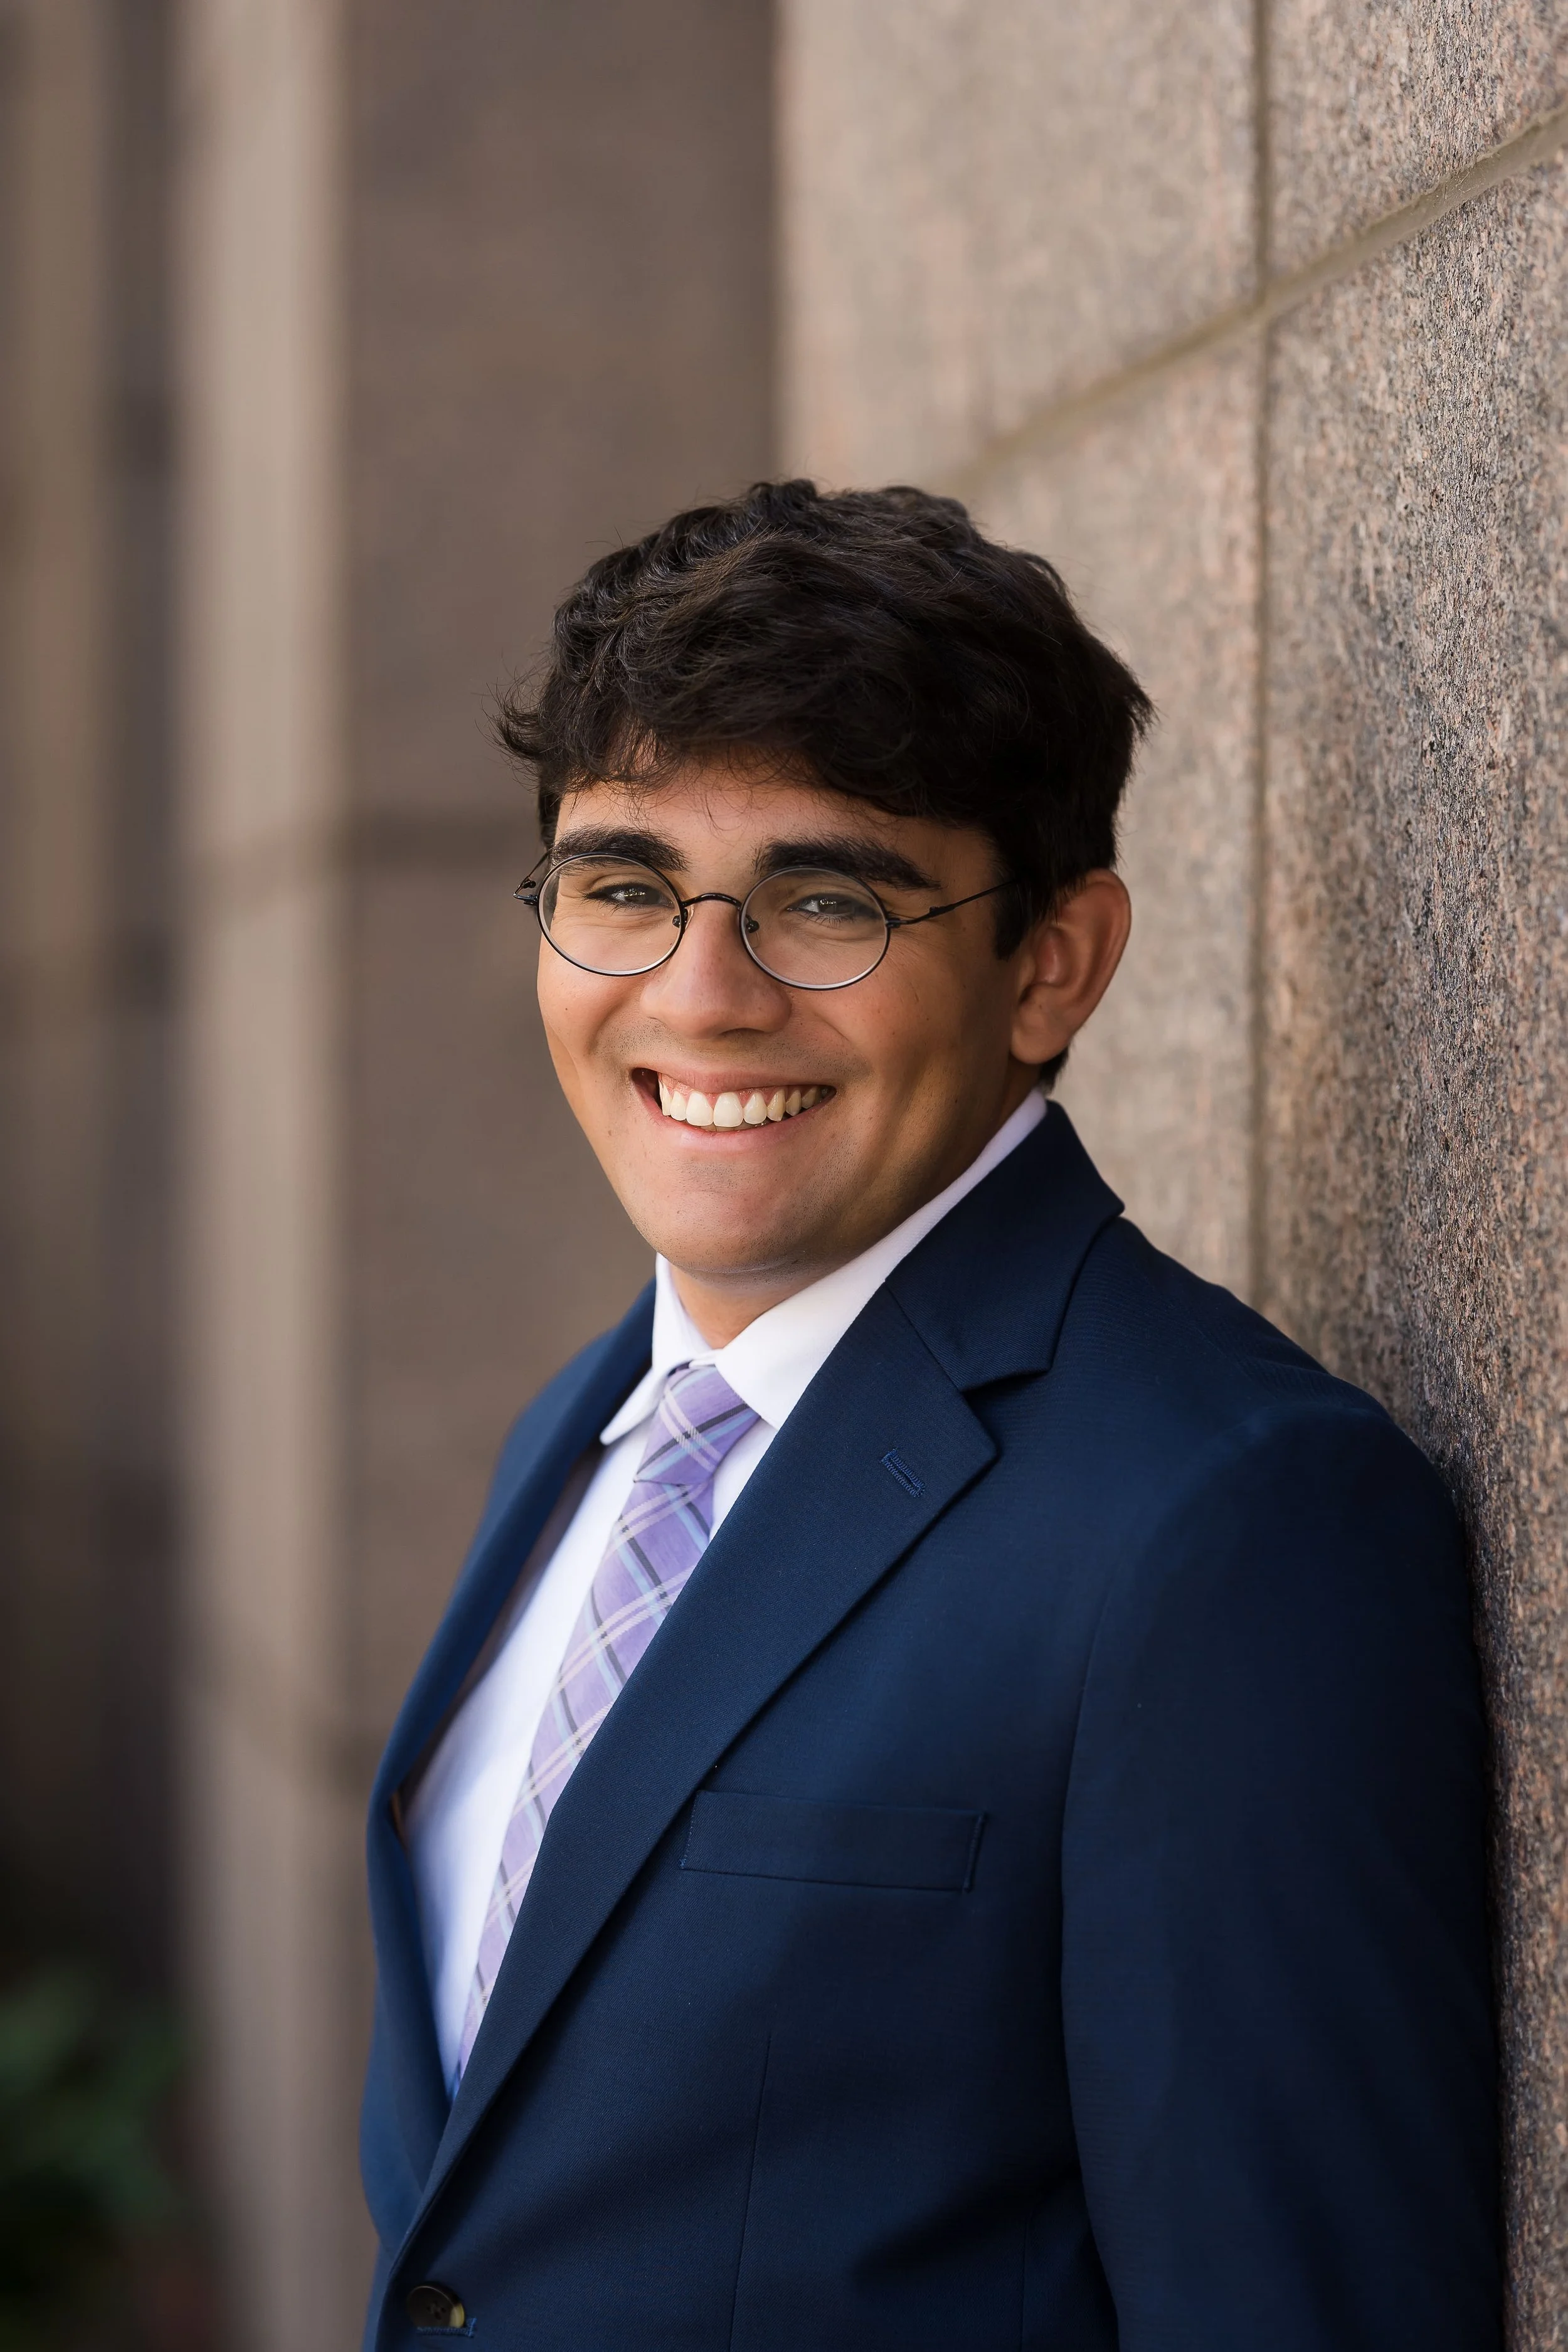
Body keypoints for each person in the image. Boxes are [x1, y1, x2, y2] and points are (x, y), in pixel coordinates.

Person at [359, 481, 1498, 2350]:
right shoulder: (585, 1431)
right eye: (623, 886)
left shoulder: (1225, 1522)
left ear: (1052, 961)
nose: (701, 998)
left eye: (826, 901)